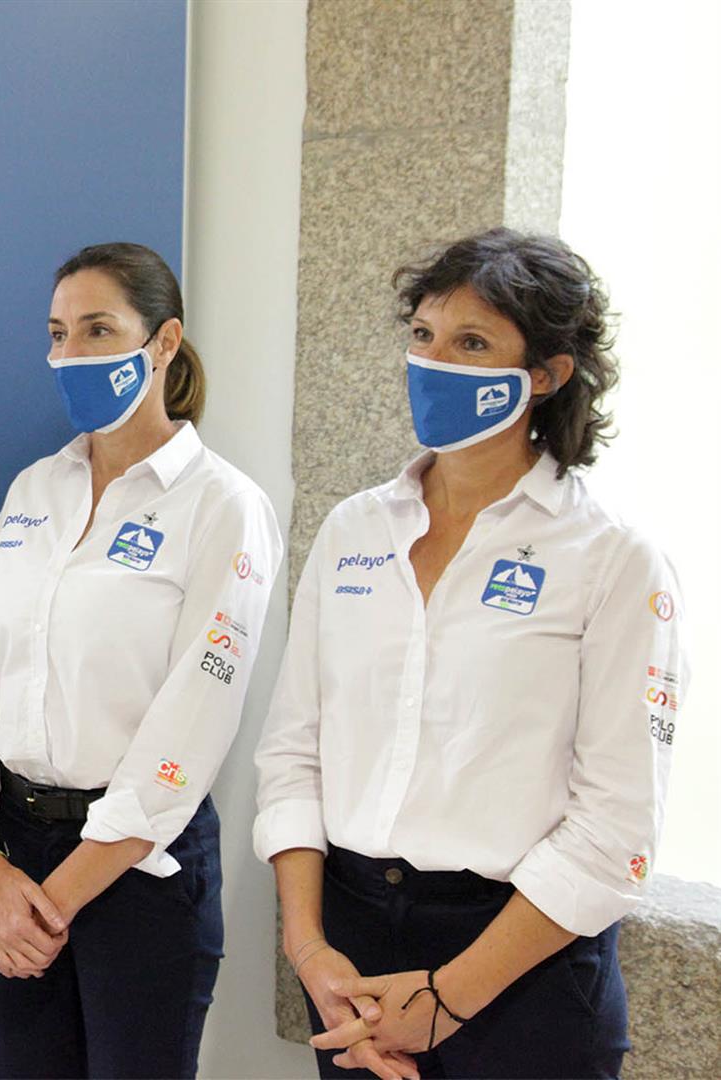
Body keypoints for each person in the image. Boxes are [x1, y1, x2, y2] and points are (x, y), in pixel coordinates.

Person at [253, 228, 687, 1080]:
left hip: (520, 967)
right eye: (422, 336)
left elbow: (617, 827)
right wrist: (309, 949)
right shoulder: (354, 531)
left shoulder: (612, 560)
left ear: (549, 376)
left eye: (472, 343)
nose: (434, 363)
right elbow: (293, 752)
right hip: (349, 958)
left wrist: (449, 996)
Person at [0, 242, 283, 1078]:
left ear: (163, 343)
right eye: (59, 333)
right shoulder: (33, 492)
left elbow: (190, 730)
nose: (73, 354)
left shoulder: (223, 507)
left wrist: (50, 905)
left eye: (99, 330)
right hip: (7, 859)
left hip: (136, 874)